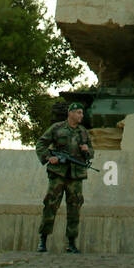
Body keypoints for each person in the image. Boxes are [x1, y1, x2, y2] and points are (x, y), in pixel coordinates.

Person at [35, 104, 95, 253]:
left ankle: (71, 243)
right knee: (50, 205)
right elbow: (41, 143)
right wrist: (49, 157)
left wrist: (87, 151)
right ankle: (43, 241)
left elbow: (91, 151)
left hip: (76, 175)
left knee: (74, 208)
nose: (82, 115)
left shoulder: (83, 132)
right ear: (71, 114)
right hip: (58, 174)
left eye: (82, 113)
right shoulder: (57, 128)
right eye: (79, 113)